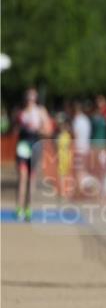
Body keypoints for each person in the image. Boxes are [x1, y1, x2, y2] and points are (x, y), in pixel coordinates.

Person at [13, 88, 54, 220]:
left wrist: (37, 129)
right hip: (23, 146)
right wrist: (20, 125)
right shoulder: (20, 112)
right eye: (28, 96)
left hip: (35, 146)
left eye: (33, 96)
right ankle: (19, 208)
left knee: (32, 178)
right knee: (22, 178)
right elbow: (14, 130)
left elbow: (48, 131)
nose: (30, 99)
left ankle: (28, 208)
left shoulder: (41, 111)